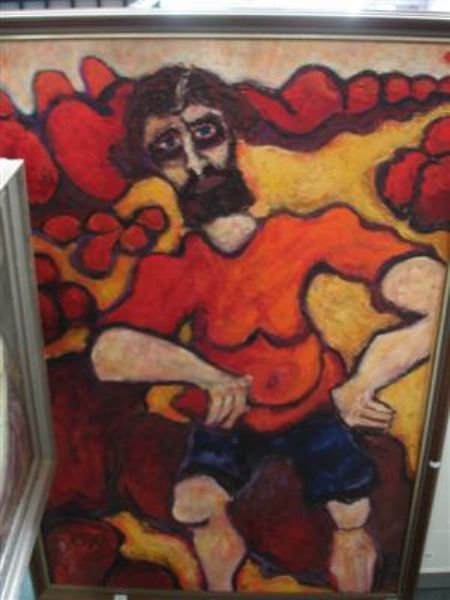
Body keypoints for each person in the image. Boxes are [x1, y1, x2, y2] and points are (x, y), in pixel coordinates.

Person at [91, 66, 445, 593]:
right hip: (228, 421)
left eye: (205, 133)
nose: (195, 162)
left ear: (233, 133)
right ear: (152, 165)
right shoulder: (174, 270)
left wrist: (363, 382)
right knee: (194, 502)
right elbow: (107, 353)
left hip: (313, 409)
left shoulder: (299, 235)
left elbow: (434, 290)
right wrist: (206, 375)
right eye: (168, 147)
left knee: (351, 509)